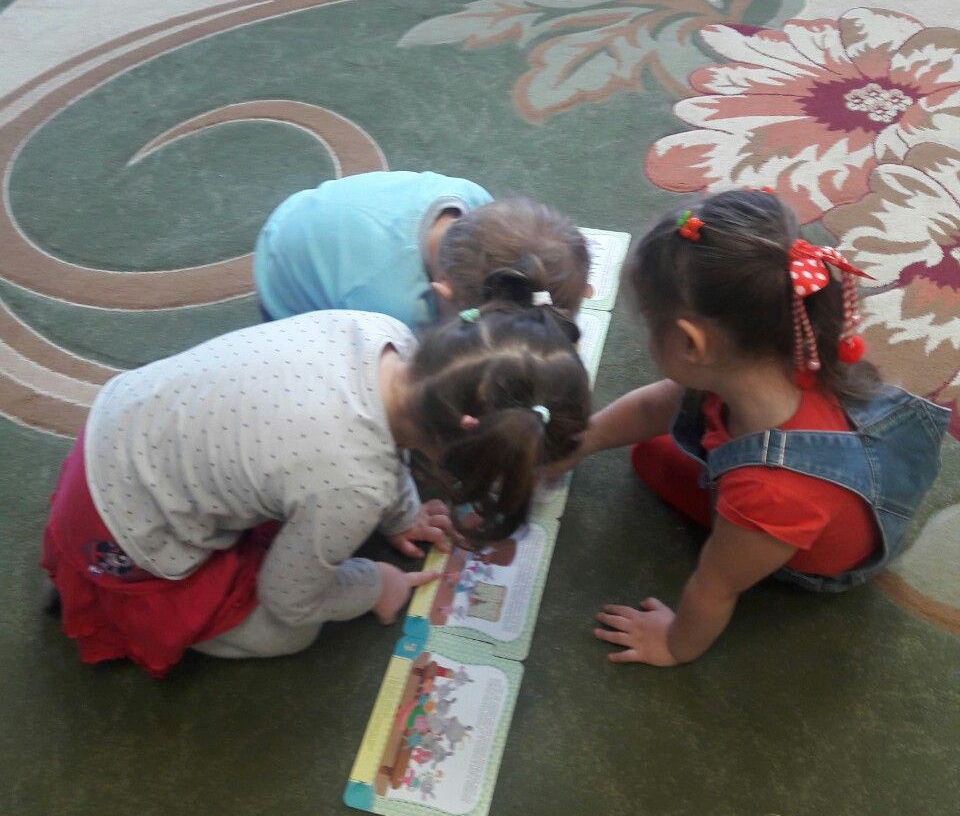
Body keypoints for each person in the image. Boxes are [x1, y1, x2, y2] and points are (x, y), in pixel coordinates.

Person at [41, 273, 590, 677]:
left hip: (114, 425)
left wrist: (401, 512)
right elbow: (287, 598)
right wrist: (375, 585)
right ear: (466, 441)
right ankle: (133, 606)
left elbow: (386, 428)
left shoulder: (382, 333)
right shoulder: (355, 488)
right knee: (291, 632)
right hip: (123, 535)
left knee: (299, 492)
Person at [571, 189, 949, 668]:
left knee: (652, 460)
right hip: (838, 478)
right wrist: (583, 440)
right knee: (656, 442)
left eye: (650, 324)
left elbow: (715, 585)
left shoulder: (768, 491)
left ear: (691, 345)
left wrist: (672, 644)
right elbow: (657, 404)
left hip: (809, 551)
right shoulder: (786, 346)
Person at [253, 170, 591, 327]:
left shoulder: (474, 201)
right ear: (442, 292)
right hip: (283, 280)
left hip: (323, 217)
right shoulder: (394, 310)